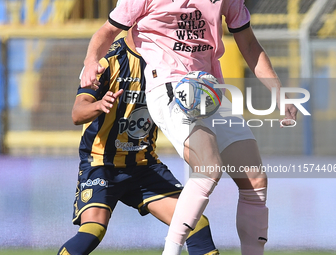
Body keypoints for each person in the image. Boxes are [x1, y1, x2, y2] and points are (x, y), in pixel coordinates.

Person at [79, 1, 299, 255]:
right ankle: (170, 252)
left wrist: (279, 93)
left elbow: (249, 44)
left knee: (255, 179)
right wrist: (90, 61)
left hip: (209, 89)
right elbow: (107, 31)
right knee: (209, 167)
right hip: (168, 86)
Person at [57, 34, 220, 255]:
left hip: (144, 165)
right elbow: (77, 113)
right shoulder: (108, 60)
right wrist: (99, 105)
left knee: (196, 223)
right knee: (93, 230)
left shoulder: (169, 61)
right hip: (102, 164)